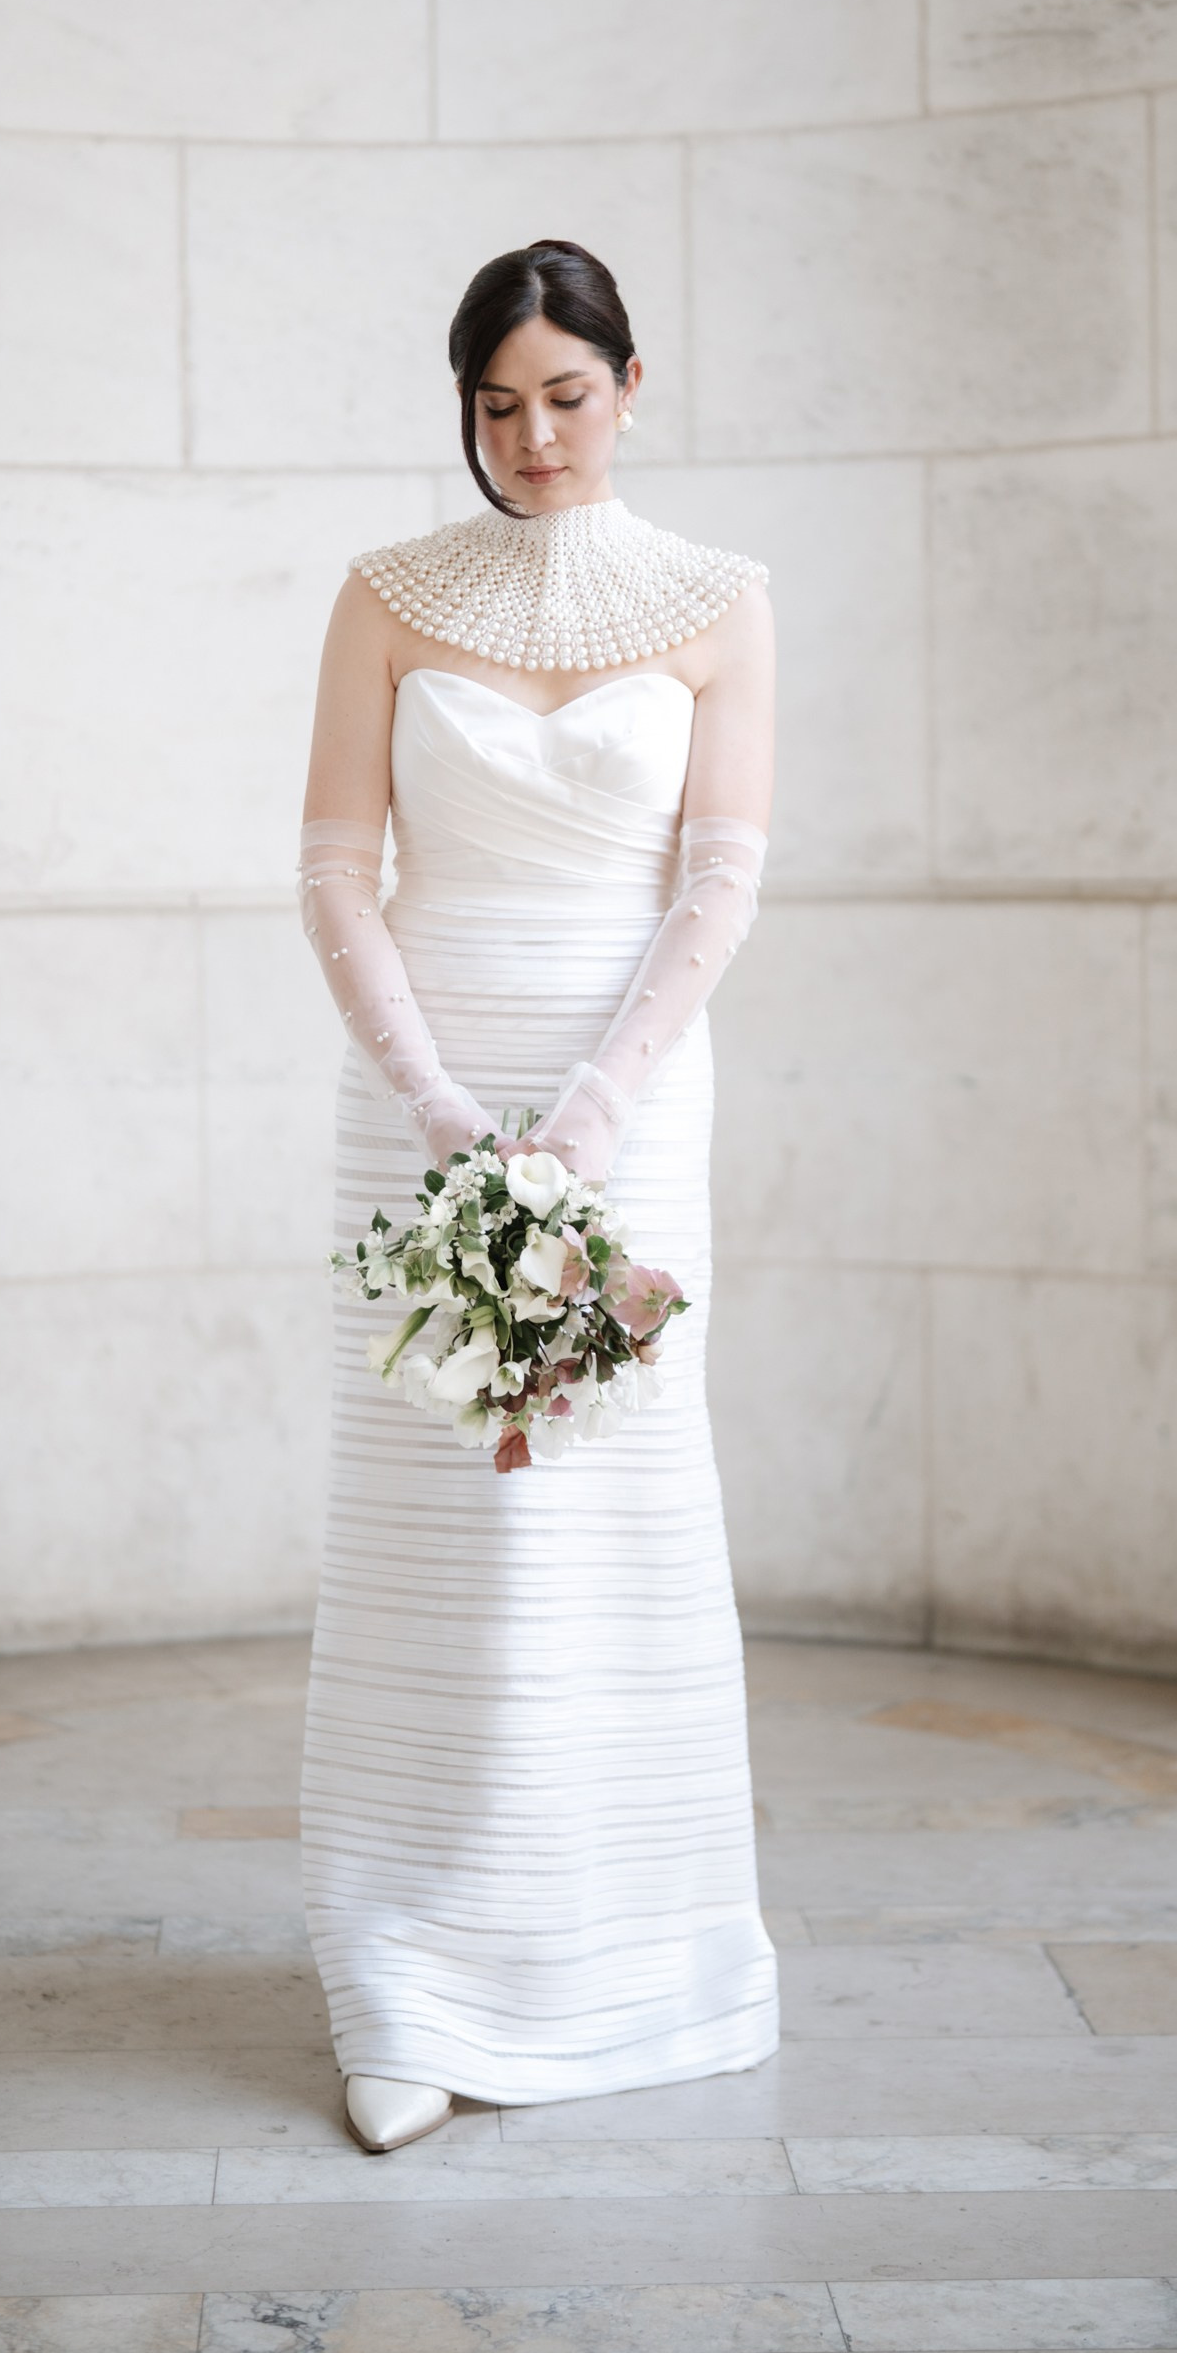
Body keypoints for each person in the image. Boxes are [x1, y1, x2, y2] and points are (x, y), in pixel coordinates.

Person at [295, 237, 780, 2152]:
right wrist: (435, 1103)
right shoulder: (386, 595)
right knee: (433, 1515)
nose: (531, 437)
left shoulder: (722, 601)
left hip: (629, 1103)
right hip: (421, 1084)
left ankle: (625, 1949)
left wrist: (586, 1115)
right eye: (496, 407)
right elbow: (336, 865)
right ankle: (408, 1971)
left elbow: (720, 879)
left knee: (605, 1513)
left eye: (563, 396)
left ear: (631, 383)